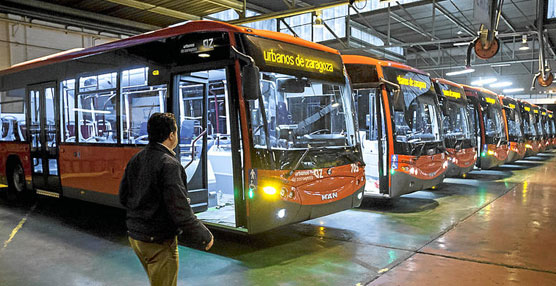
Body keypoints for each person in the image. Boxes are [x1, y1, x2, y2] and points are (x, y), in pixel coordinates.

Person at [119, 112, 214, 286]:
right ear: (171, 135)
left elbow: (123, 197)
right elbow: (180, 209)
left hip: (136, 238)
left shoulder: (136, 158)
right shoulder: (169, 164)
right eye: (176, 131)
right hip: (158, 241)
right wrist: (204, 235)